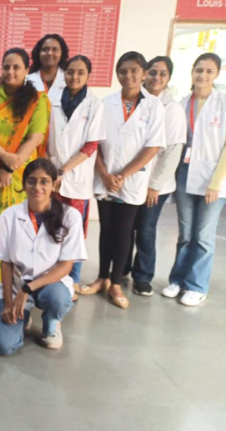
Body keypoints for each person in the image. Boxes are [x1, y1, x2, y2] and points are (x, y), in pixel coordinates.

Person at [81, 52, 165, 309]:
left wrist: (122, 175)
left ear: (144, 74)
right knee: (106, 229)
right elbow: (94, 142)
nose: (128, 76)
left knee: (124, 231)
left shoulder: (154, 106)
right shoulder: (105, 104)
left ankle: (116, 283)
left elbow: (153, 147)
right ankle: (101, 277)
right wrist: (105, 175)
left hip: (131, 180)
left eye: (134, 71)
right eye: (123, 71)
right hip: (104, 178)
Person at [0, 47, 49, 297]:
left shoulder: (38, 101)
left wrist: (9, 166)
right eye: (6, 66)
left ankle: (10, 280)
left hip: (19, 174)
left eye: (16, 67)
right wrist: (3, 156)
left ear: (27, 70)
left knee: (13, 226)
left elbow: (35, 137)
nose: (11, 71)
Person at [0, 159, 87, 355]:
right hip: (17, 285)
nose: (37, 187)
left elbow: (66, 266)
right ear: (24, 184)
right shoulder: (9, 215)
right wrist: (8, 303)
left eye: (44, 181)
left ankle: (52, 321)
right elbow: (5, 264)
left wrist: (28, 289)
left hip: (51, 284)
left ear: (54, 185)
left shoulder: (70, 216)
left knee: (57, 298)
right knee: (2, 346)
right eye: (31, 181)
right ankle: (22, 315)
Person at [163, 53, 226, 306]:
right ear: (192, 72)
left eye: (209, 71)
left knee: (203, 236)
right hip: (185, 175)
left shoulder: (223, 103)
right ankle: (178, 280)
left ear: (217, 74)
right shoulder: (182, 103)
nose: (203, 75)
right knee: (186, 233)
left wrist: (215, 183)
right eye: (199, 70)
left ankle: (197, 286)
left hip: (215, 179)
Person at [124, 56, 186, 296]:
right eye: (152, 72)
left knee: (145, 229)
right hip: (131, 178)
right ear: (144, 74)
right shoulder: (134, 101)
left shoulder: (173, 109)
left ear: (168, 78)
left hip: (155, 185)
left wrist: (154, 185)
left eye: (162, 74)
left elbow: (172, 151)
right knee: (126, 227)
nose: (156, 78)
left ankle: (142, 276)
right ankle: (121, 269)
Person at [46, 55, 105, 299]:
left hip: (76, 177)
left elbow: (91, 145)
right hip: (52, 176)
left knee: (75, 231)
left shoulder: (94, 104)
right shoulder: (52, 99)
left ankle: (73, 279)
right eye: (70, 71)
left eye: (81, 72)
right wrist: (51, 171)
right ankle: (50, 274)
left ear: (88, 75)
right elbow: (45, 136)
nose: (74, 76)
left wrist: (63, 171)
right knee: (51, 227)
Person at [27, 34, 68, 99]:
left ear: (62, 53)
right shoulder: (27, 80)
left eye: (55, 50)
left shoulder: (68, 79)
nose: (49, 53)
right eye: (45, 49)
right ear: (38, 53)